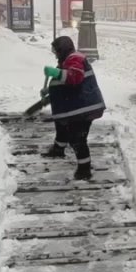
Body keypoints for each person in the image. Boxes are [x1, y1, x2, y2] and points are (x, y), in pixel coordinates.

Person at [40, 35, 106, 181]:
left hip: (84, 109)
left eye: (56, 51)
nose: (55, 55)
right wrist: (50, 91)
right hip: (75, 107)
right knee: (62, 125)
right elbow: (64, 83)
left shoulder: (75, 58)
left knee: (77, 138)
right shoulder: (66, 60)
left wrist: (55, 73)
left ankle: (84, 169)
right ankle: (58, 149)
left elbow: (74, 77)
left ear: (62, 50)